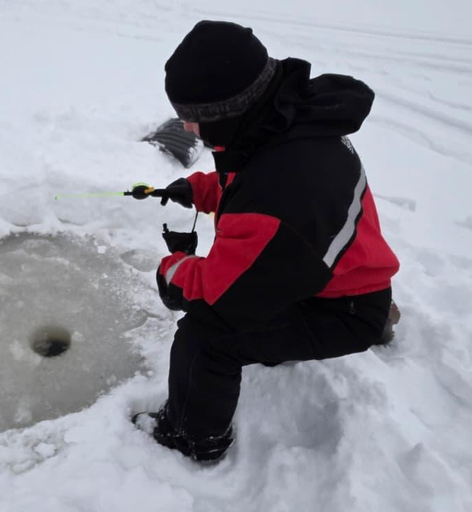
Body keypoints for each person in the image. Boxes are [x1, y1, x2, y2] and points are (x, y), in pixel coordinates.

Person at [133, 20, 401, 463]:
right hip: (336, 273)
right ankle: (375, 318)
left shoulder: (286, 187)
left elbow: (225, 293)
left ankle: (192, 440)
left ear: (228, 112)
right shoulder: (284, 121)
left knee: (207, 337)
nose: (186, 126)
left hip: (338, 306)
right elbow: (249, 180)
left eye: (192, 117)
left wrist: (174, 271)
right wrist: (200, 189)